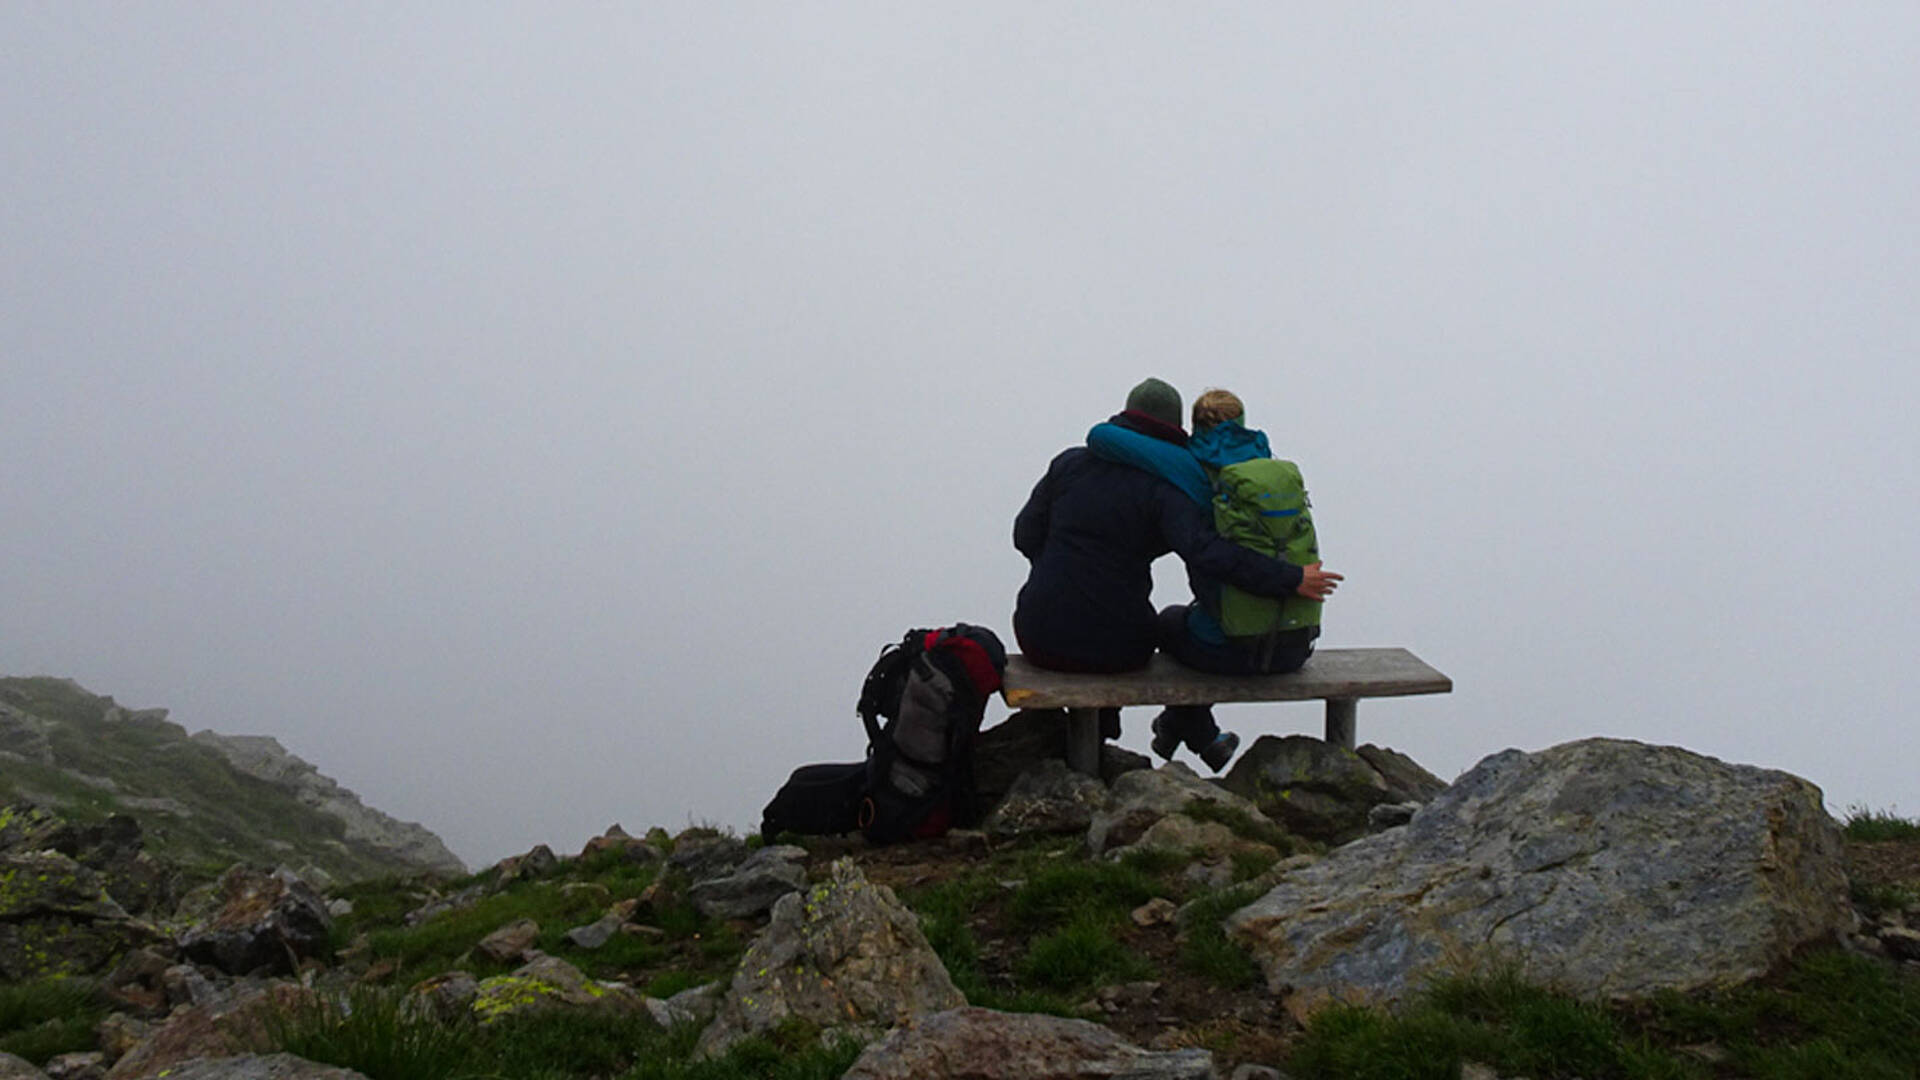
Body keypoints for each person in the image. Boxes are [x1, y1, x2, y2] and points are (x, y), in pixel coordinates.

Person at [1011, 378, 1339, 763]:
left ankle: (1134, 738)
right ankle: (1188, 732)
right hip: (1121, 652)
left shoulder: (1068, 464)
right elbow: (1201, 550)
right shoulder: (1164, 487)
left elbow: (1024, 535)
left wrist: (1061, 570)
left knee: (1143, 621)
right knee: (1150, 623)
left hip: (1037, 635)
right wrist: (1290, 578)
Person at [1146, 388, 1336, 767]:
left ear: (1195, 426)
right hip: (1294, 649)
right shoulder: (1271, 470)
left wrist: (1287, 578)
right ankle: (1181, 730)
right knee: (1208, 619)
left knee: (1169, 622)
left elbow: (1207, 553)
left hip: (1236, 651)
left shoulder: (1193, 475)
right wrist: (1291, 577)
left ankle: (1194, 732)